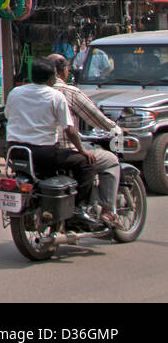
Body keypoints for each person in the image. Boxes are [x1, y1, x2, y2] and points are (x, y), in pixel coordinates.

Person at [4, 57, 97, 218]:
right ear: (51, 78)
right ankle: (79, 208)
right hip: (44, 153)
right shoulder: (55, 96)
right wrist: (82, 150)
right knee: (85, 163)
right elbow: (70, 129)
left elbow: (8, 115)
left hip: (15, 151)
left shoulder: (15, 92)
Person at [49, 54, 122, 225]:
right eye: (67, 67)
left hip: (34, 150)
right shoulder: (67, 92)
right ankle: (107, 211)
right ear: (62, 71)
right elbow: (94, 118)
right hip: (63, 150)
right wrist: (115, 128)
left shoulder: (26, 93)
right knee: (110, 160)